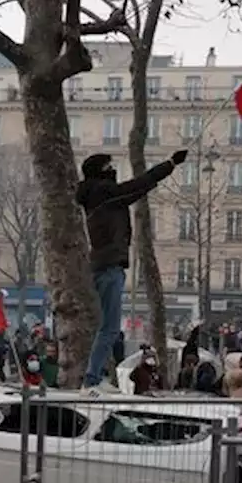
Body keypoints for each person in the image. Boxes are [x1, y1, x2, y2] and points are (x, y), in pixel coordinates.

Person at [77, 150, 187, 391]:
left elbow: (136, 190)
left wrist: (160, 173)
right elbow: (138, 185)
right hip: (109, 266)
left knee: (107, 327)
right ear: (101, 171)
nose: (113, 168)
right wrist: (169, 165)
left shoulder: (97, 195)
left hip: (102, 265)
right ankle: (92, 379)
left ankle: (93, 376)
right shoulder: (103, 192)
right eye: (109, 165)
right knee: (110, 328)